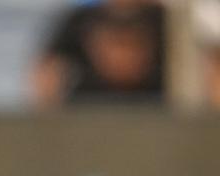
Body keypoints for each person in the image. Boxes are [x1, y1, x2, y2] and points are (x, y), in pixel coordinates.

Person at [33, 0, 166, 108]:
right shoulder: (81, 19)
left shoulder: (165, 20)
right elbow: (47, 70)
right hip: (88, 110)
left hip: (153, 108)